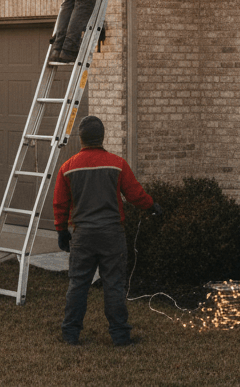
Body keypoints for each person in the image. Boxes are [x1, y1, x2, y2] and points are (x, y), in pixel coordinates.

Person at [53, 115, 162, 346]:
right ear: (102, 137)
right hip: (112, 235)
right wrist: (152, 205)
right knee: (114, 284)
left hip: (82, 236)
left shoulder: (67, 167)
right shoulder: (117, 164)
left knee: (78, 284)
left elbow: (60, 203)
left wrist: (62, 231)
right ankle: (120, 336)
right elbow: (134, 194)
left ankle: (70, 334)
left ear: (81, 138)